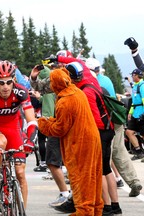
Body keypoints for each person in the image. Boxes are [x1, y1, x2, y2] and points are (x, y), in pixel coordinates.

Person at [38, 65, 103, 216]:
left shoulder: (64, 101)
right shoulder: (77, 92)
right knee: (93, 177)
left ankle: (84, 211)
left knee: (80, 178)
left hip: (79, 144)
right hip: (93, 140)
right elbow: (68, 120)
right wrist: (53, 120)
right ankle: (96, 209)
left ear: (55, 84)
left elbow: (60, 129)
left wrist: (43, 124)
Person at [0, 60, 37, 210]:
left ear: (14, 80)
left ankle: (22, 209)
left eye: (9, 82)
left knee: (20, 173)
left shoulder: (21, 92)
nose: (5, 87)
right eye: (1, 83)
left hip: (13, 129)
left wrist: (30, 140)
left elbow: (31, 121)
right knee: (0, 143)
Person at [86, 57, 143, 197]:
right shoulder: (106, 79)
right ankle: (134, 182)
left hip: (105, 122)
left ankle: (104, 194)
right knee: (120, 152)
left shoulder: (91, 82)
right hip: (116, 118)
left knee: (106, 157)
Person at [30, 64, 70, 207]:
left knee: (53, 161)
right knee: (65, 162)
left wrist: (45, 123)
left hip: (57, 125)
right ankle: (71, 195)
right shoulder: (64, 87)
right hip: (58, 125)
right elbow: (41, 87)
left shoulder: (68, 97)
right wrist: (34, 78)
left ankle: (66, 195)